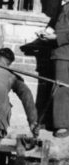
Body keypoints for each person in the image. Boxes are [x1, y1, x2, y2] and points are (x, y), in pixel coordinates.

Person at [37, 0, 69, 137]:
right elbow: (55, 23)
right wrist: (46, 32)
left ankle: (62, 125)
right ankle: (55, 121)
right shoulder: (62, 7)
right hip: (59, 53)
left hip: (66, 53)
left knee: (61, 88)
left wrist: (56, 37)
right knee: (56, 87)